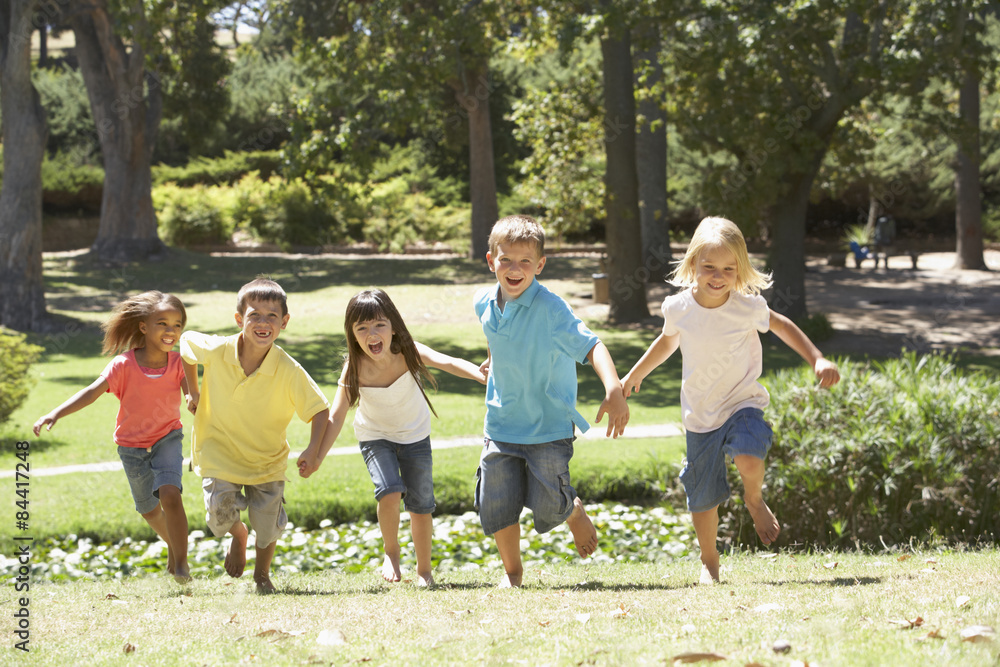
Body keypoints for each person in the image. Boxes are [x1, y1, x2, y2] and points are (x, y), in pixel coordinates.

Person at [621, 216, 840, 585]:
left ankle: (754, 499)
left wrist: (817, 357)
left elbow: (783, 325)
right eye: (709, 267)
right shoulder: (679, 308)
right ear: (693, 265)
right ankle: (709, 561)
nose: (718, 275)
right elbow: (667, 341)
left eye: (728, 268)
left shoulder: (747, 306)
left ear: (740, 270)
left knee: (749, 458)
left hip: (743, 402)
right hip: (700, 414)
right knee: (703, 496)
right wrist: (635, 374)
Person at [474, 214, 630, 588]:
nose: (514, 269)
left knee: (549, 503)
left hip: (547, 426)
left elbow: (592, 345)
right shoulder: (483, 302)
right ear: (490, 260)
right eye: (506, 260)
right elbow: (502, 335)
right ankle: (513, 574)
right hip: (500, 421)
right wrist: (495, 358)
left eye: (525, 261)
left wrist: (613, 388)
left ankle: (572, 511)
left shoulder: (551, 308)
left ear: (540, 265)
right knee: (496, 503)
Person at [298, 288, 487, 587]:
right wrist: (317, 455)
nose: (372, 334)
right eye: (362, 328)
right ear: (353, 334)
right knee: (388, 490)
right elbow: (336, 415)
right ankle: (391, 553)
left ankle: (424, 571)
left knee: (421, 505)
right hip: (376, 437)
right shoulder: (355, 367)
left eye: (378, 325)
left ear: (393, 326)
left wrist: (479, 375)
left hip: (415, 437)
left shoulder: (408, 350)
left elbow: (447, 362)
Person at [181, 277, 330, 593]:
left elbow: (320, 409)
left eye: (272, 316)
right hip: (218, 452)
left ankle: (262, 575)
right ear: (239, 320)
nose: (263, 323)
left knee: (268, 526)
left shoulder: (288, 369)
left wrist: (313, 451)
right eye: (254, 315)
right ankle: (238, 534)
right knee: (217, 517)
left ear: (284, 322)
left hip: (267, 461)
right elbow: (185, 345)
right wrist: (192, 391)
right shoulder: (219, 349)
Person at [33, 291, 194, 584]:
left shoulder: (179, 364)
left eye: (177, 324)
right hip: (131, 448)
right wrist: (55, 413)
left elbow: (192, 394)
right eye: (162, 323)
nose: (171, 331)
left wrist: (195, 400)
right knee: (149, 510)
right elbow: (92, 392)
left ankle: (181, 565)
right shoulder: (123, 365)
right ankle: (173, 545)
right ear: (144, 327)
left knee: (171, 494)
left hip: (167, 438)